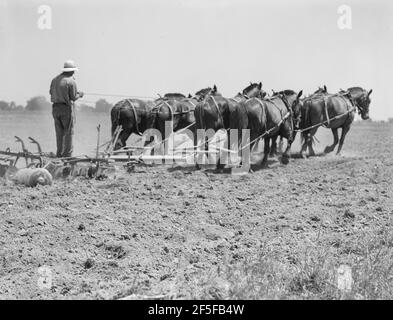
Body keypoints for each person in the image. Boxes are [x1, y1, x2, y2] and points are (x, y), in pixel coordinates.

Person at [49, 60, 83, 158]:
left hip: (55, 108)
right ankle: (67, 156)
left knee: (59, 133)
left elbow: (50, 92)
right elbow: (73, 97)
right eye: (73, 71)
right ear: (71, 71)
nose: (74, 72)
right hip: (65, 109)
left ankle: (59, 154)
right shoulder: (71, 81)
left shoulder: (54, 79)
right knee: (68, 133)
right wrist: (80, 95)